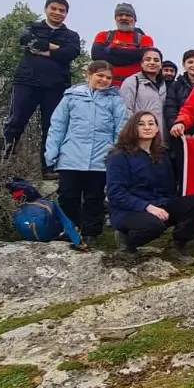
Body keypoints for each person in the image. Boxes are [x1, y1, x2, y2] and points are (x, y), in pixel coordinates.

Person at [106, 111, 194, 266]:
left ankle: (176, 248)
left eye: (151, 123)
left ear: (157, 128)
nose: (147, 127)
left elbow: (170, 185)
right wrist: (148, 207)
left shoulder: (162, 153)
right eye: (141, 124)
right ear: (132, 128)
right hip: (129, 211)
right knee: (154, 224)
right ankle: (127, 243)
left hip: (160, 204)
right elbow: (116, 194)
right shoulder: (119, 156)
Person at [45, 59, 127, 248]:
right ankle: (69, 230)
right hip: (70, 156)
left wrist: (114, 155)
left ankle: (91, 233)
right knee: (68, 195)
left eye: (108, 77)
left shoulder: (115, 100)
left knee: (94, 197)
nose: (104, 80)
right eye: (100, 75)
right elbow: (58, 125)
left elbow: (120, 130)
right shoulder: (71, 97)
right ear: (88, 74)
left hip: (101, 158)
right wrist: (52, 153)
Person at [4, 0, 82, 174]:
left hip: (56, 86)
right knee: (15, 121)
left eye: (62, 10)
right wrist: (55, 48)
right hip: (26, 81)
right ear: (46, 9)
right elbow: (27, 42)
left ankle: (48, 167)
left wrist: (44, 50)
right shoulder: (31, 26)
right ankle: (3, 161)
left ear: (66, 14)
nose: (57, 13)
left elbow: (71, 53)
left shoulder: (71, 35)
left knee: (52, 127)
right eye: (53, 9)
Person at [164, 49, 194, 186]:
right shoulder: (176, 86)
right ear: (184, 65)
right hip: (181, 138)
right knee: (183, 175)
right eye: (190, 62)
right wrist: (180, 131)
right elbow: (170, 109)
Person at [91, 3, 155, 87]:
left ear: (134, 19)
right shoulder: (103, 36)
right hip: (104, 86)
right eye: (120, 15)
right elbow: (96, 55)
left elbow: (143, 55)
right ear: (115, 18)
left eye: (128, 15)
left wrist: (111, 51)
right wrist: (130, 59)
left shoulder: (145, 39)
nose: (123, 18)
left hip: (135, 87)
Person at [120, 47, 167, 128]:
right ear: (142, 63)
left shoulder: (164, 85)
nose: (152, 63)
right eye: (148, 59)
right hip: (139, 134)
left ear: (161, 65)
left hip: (160, 136)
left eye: (156, 60)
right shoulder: (132, 82)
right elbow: (125, 111)